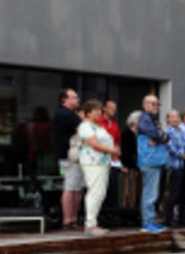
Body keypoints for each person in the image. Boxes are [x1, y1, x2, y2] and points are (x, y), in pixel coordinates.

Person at [76, 100, 120, 236]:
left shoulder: (98, 126)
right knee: (95, 192)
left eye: (100, 110)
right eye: (96, 110)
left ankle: (93, 222)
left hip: (102, 163)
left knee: (100, 192)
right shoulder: (85, 126)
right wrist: (112, 150)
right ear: (88, 113)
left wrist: (113, 152)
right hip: (92, 162)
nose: (99, 112)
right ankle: (90, 224)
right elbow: (94, 144)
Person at [136, 93, 169, 233]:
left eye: (157, 104)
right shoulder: (145, 119)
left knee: (152, 192)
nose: (156, 107)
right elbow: (157, 135)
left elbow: (164, 137)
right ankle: (148, 222)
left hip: (153, 160)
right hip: (149, 160)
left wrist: (161, 138)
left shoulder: (151, 119)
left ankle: (151, 221)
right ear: (145, 105)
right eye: (153, 104)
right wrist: (161, 137)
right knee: (150, 193)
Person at [52, 88, 85, 229]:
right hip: (70, 156)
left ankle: (72, 218)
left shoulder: (60, 113)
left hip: (67, 155)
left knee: (77, 187)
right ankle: (68, 219)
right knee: (71, 186)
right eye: (74, 97)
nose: (77, 100)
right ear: (64, 100)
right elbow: (84, 131)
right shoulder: (67, 114)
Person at [162, 109, 185, 228]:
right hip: (174, 165)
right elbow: (169, 147)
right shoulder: (167, 132)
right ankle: (168, 219)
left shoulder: (181, 131)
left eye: (177, 117)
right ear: (168, 119)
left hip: (183, 164)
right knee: (173, 193)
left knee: (184, 193)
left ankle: (181, 218)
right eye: (173, 117)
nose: (175, 119)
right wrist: (181, 154)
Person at [121, 111, 140, 209]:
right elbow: (124, 150)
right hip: (129, 165)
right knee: (129, 190)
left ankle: (135, 210)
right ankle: (128, 210)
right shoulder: (127, 133)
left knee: (136, 189)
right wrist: (124, 165)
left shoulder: (138, 134)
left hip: (137, 165)